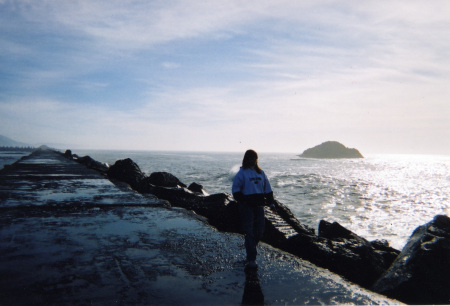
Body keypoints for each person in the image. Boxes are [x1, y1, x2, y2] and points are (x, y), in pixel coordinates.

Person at [232, 149, 276, 269]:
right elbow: (235, 190)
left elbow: (268, 189)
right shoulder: (242, 173)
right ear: (246, 159)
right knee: (249, 232)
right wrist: (244, 201)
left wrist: (271, 203)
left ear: (256, 159)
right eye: (250, 158)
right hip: (247, 207)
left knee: (260, 232)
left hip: (259, 207)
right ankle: (251, 259)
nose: (252, 160)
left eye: (254, 158)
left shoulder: (261, 173)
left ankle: (250, 248)